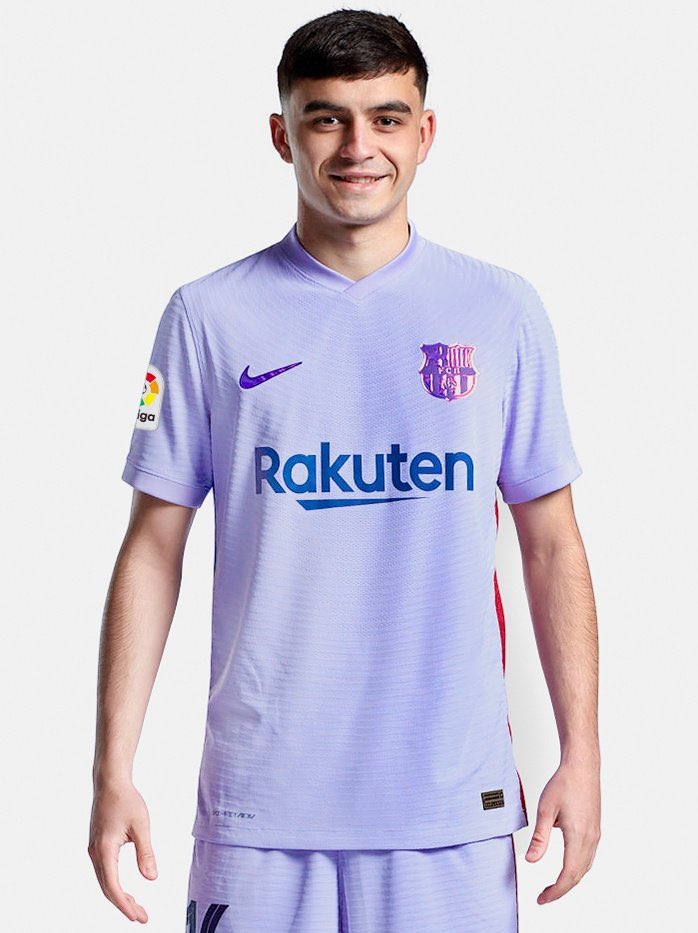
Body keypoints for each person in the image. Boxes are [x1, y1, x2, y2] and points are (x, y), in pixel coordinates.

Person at [88, 9, 601, 931]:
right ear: (282, 134)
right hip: (259, 807)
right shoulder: (207, 317)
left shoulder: (500, 311)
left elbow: (553, 544)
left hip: (449, 809)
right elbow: (153, 548)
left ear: (425, 133)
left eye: (386, 118)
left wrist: (583, 753)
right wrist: (111, 768)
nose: (359, 147)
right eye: (326, 118)